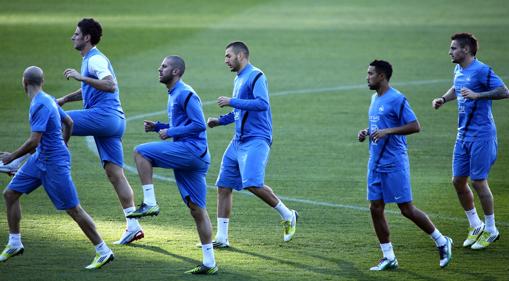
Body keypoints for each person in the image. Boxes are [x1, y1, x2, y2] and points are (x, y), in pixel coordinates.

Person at [0, 66, 114, 269]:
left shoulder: (40, 105)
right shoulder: (47, 99)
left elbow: (34, 141)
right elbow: (68, 122)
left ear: (24, 83)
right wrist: (64, 142)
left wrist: (12, 157)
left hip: (54, 163)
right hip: (40, 159)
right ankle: (15, 243)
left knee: (74, 209)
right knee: (10, 194)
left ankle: (103, 250)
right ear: (42, 82)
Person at [126, 55, 217, 274]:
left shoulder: (185, 93)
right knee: (197, 209)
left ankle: (150, 202)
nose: (159, 69)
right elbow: (182, 123)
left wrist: (171, 132)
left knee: (140, 152)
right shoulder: (174, 93)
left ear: (175, 71)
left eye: (164, 66)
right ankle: (210, 262)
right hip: (190, 156)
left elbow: (199, 126)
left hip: (191, 152)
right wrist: (159, 126)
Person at [359, 60, 452, 270]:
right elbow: (379, 126)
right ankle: (388, 256)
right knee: (375, 208)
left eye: (371, 73)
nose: (367, 77)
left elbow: (415, 126)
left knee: (406, 209)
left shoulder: (397, 99)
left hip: (394, 162)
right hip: (375, 162)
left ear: (382, 76)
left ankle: (441, 241)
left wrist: (387, 132)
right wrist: (366, 131)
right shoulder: (375, 98)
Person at [57, 18, 143, 245]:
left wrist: (80, 76)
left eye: (76, 34)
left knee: (55, 119)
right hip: (114, 121)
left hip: (103, 116)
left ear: (86, 37)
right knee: (115, 174)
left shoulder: (95, 59)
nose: (72, 37)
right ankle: (133, 226)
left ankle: (19, 162)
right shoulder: (91, 60)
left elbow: (109, 84)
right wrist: (66, 98)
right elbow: (90, 88)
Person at [207, 41, 298, 247]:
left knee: (252, 183)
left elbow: (261, 103)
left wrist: (232, 101)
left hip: (257, 139)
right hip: (238, 141)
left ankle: (288, 214)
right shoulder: (239, 79)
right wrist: (220, 121)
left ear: (241, 56)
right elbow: (240, 111)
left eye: (228, 56)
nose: (226, 60)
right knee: (224, 186)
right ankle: (222, 238)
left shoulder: (256, 75)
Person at [432, 33, 508, 249]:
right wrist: (443, 99)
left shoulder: (482, 70)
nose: (450, 52)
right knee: (458, 181)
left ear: (466, 50)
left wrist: (478, 96)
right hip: (463, 134)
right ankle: (475, 225)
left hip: (482, 135)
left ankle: (491, 229)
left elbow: (504, 91)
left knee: (477, 181)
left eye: (454, 48)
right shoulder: (458, 69)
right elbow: (457, 88)